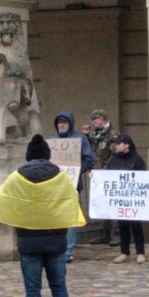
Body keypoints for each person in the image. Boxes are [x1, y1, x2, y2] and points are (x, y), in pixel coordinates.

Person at [0, 135, 84, 297]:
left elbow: (4, 202)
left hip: (29, 243)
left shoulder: (16, 177)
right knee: (59, 288)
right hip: (56, 243)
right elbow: (70, 203)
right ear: (47, 155)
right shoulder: (60, 177)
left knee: (32, 291)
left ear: (28, 156)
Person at [51, 111, 95, 263]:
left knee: (71, 219)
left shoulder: (80, 139)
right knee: (56, 218)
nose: (61, 125)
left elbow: (89, 159)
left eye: (64, 122)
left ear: (70, 124)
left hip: (72, 185)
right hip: (54, 186)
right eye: (59, 122)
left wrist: (77, 171)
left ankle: (68, 251)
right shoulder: (52, 140)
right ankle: (56, 249)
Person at [107, 134, 148, 264]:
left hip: (133, 198)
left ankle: (140, 252)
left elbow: (143, 177)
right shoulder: (113, 160)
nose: (116, 146)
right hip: (120, 198)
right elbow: (107, 175)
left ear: (127, 145)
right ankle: (124, 252)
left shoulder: (137, 160)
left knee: (136, 225)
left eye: (119, 143)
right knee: (122, 225)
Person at [86, 109, 118, 246]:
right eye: (93, 121)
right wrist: (87, 136)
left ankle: (116, 234)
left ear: (103, 119)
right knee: (100, 204)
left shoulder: (112, 133)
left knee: (112, 203)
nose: (94, 123)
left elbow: (114, 152)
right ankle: (104, 233)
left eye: (96, 120)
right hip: (98, 172)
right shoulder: (97, 133)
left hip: (108, 172)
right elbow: (93, 149)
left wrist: (106, 168)